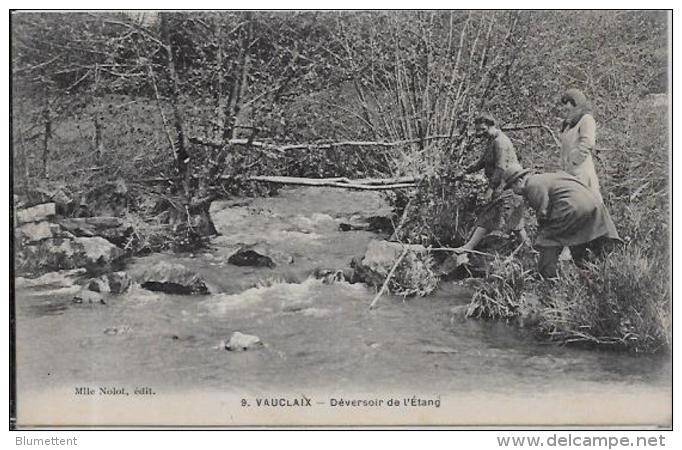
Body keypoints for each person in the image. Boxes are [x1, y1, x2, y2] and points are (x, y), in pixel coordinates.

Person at [503, 166, 621, 278]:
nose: (513, 191)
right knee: (580, 237)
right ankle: (592, 269)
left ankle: (547, 276)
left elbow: (543, 213)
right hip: (591, 203)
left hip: (572, 207)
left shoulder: (531, 185)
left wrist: (539, 236)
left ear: (519, 181)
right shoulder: (546, 177)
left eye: (512, 187)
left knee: (547, 240)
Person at [453, 113, 528, 252]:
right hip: (504, 187)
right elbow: (482, 162)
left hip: (508, 187)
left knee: (489, 217)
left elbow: (500, 168)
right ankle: (528, 249)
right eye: (478, 130)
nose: (480, 133)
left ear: (492, 126)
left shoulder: (500, 142)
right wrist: (465, 171)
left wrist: (491, 189)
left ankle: (469, 247)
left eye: (483, 129)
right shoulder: (492, 140)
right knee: (515, 222)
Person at [559, 88, 603, 203]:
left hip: (581, 173)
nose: (565, 107)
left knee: (588, 206)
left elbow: (587, 143)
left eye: (568, 103)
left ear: (576, 104)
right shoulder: (568, 125)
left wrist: (574, 161)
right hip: (569, 174)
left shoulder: (586, 120)